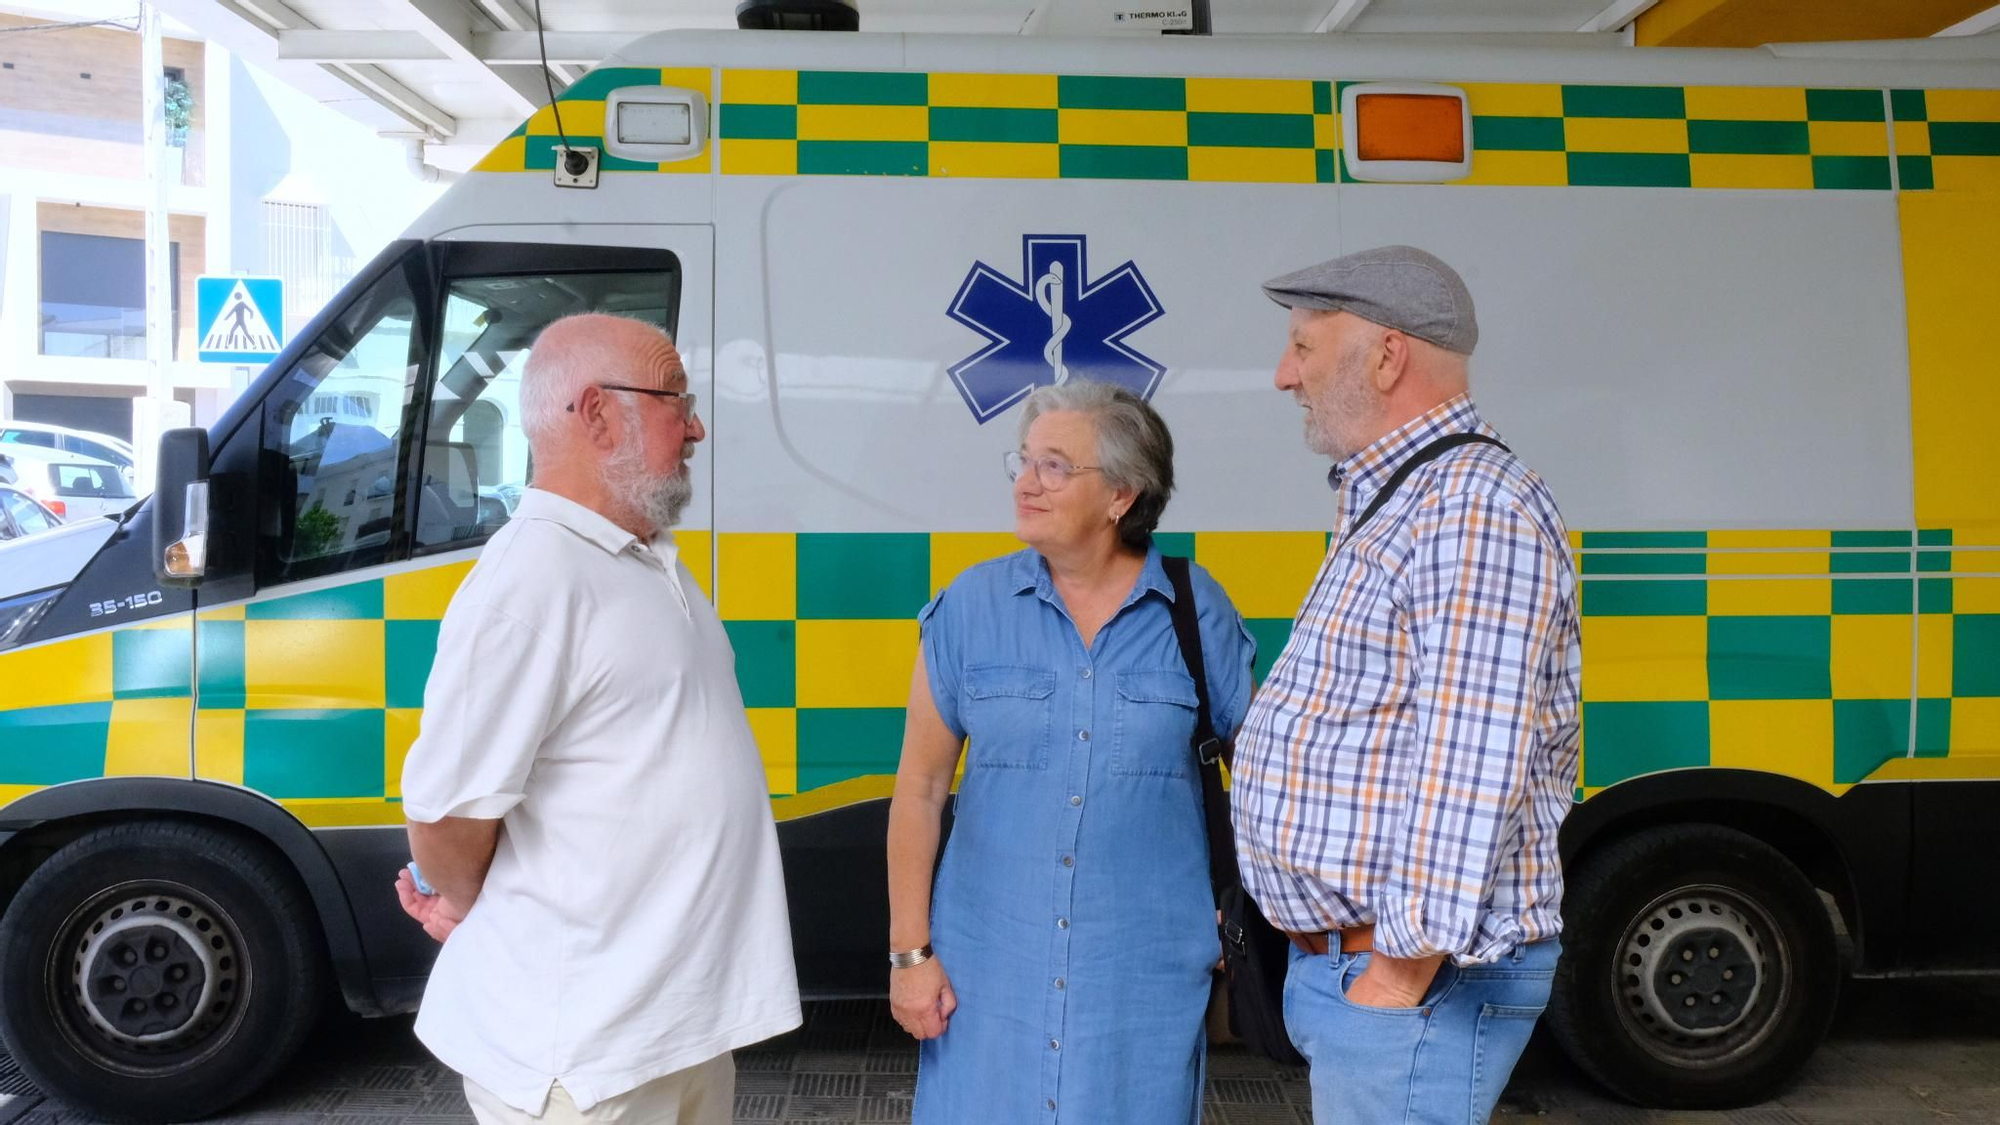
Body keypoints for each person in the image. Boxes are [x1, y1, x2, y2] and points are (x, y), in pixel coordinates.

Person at [394, 313, 801, 1125]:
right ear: (597, 414)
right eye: (674, 399)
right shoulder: (533, 575)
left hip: (673, 1030)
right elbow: (444, 812)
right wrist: (459, 894)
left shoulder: (642, 558)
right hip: (583, 1059)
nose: (696, 425)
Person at [1231, 246, 1582, 1124]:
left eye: (1304, 347)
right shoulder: (1405, 497)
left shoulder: (1470, 508)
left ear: (1386, 355)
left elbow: (1470, 760)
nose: (1284, 376)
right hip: (1367, 973)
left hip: (1405, 983)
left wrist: (1395, 975)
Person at [886, 379, 1256, 1124]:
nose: (1027, 481)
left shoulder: (1195, 608)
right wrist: (910, 955)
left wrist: (1246, 906)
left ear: (1122, 494)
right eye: (1023, 461)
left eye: (1056, 466)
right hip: (987, 984)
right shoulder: (971, 606)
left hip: (1142, 984)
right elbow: (920, 787)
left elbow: (1256, 775)